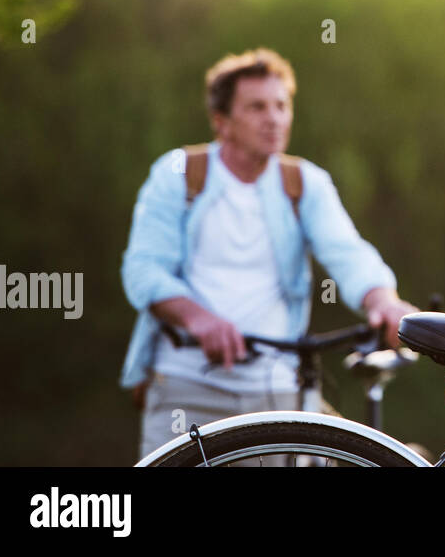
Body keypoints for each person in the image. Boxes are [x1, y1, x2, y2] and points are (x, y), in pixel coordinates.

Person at [120, 48, 418, 461]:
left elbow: (349, 254)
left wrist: (383, 301)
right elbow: (143, 270)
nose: (274, 117)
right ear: (221, 121)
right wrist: (199, 318)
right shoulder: (178, 174)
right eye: (257, 107)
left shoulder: (305, 184)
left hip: (278, 394)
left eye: (282, 105)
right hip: (186, 388)